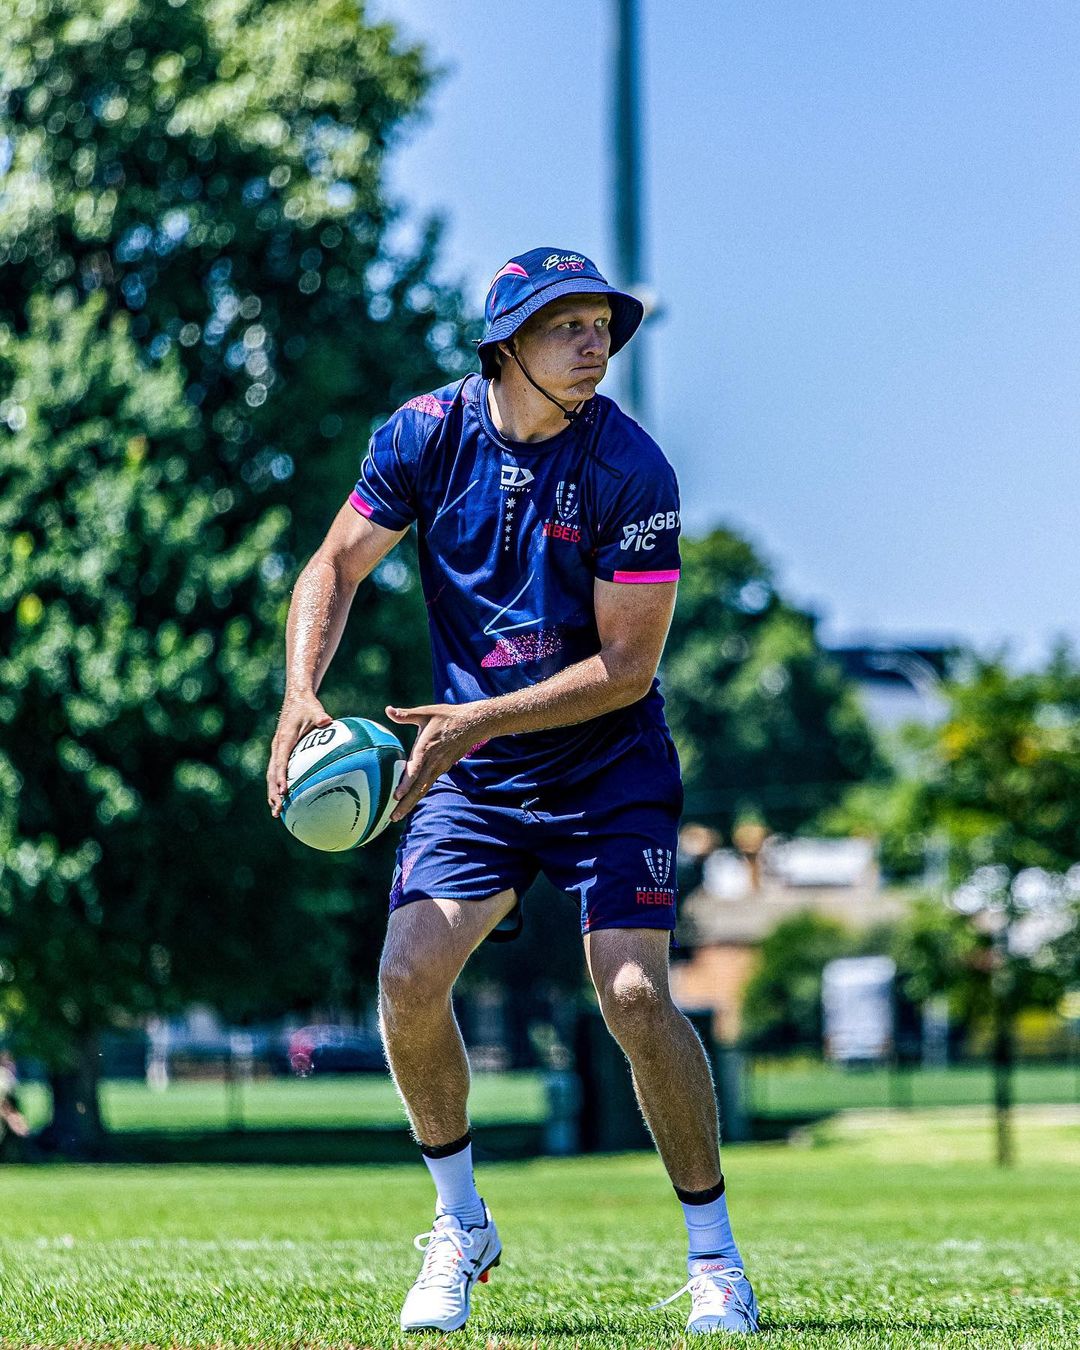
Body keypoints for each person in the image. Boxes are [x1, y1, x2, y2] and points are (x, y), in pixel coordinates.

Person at [266, 247, 759, 1337]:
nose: (596, 346)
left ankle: (716, 1257)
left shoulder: (631, 468)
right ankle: (460, 1222)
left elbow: (626, 668)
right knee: (407, 976)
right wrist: (302, 692)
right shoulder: (425, 436)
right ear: (506, 346)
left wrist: (478, 718)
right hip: (475, 774)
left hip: (608, 767)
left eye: (603, 327)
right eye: (568, 326)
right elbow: (335, 565)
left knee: (633, 996)